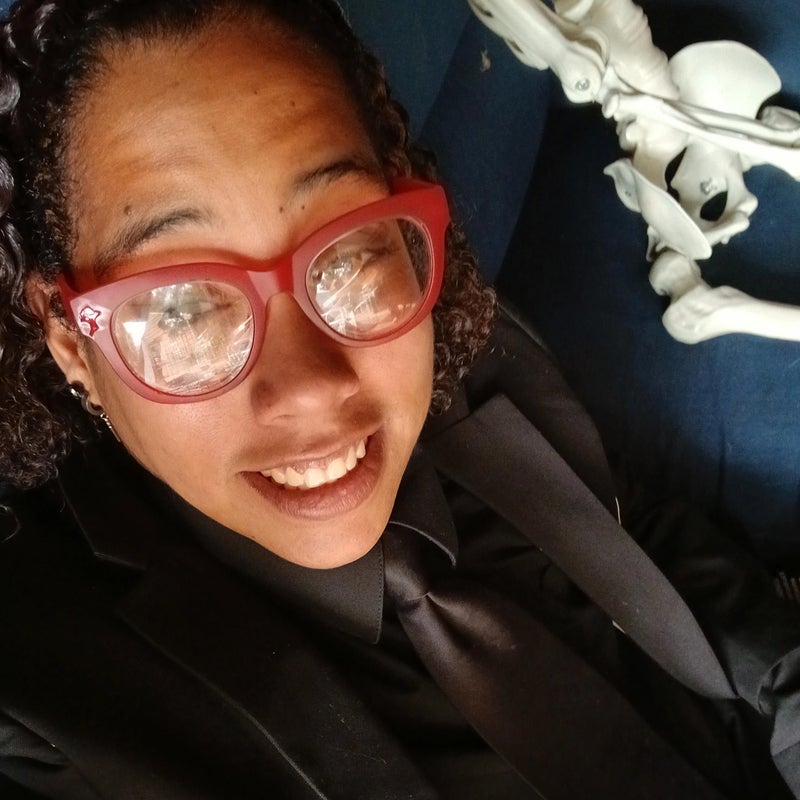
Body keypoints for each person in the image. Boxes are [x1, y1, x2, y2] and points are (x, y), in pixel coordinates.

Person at [0, 0, 798, 798]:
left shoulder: (431, 311)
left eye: (346, 249)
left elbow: (634, 524)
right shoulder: (46, 712)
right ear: (70, 340)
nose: (315, 386)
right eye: (180, 310)